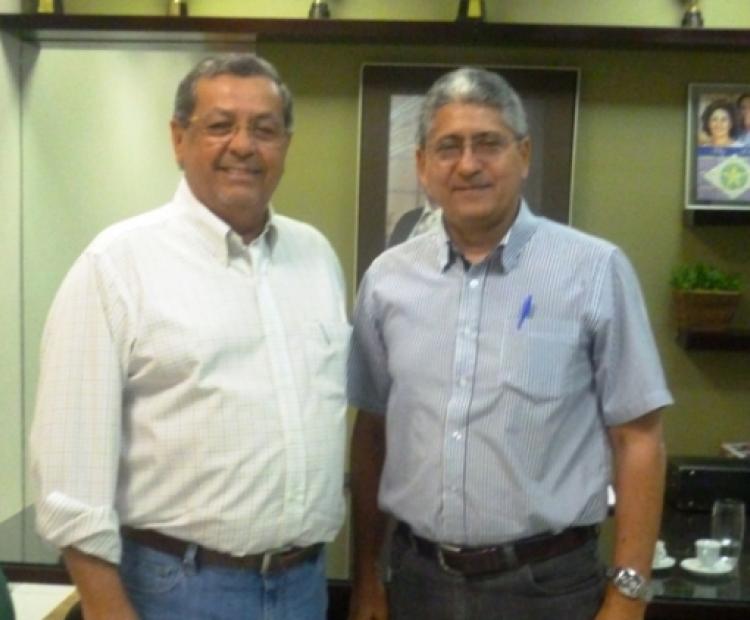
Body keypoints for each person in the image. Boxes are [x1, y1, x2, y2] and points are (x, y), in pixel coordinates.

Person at [31, 53, 350, 620]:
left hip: (304, 587)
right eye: (220, 125)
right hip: (176, 591)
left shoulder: (316, 257)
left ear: (286, 145)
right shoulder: (116, 266)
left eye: (264, 129)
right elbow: (68, 481)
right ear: (179, 139)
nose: (243, 145)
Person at [347, 67, 672, 620]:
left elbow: (638, 438)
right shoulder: (386, 280)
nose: (468, 164)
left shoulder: (594, 270)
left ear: (523, 155)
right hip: (417, 582)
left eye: (488, 143)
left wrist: (627, 597)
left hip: (548, 586)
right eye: (448, 147)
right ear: (423, 165)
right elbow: (372, 430)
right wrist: (366, 576)